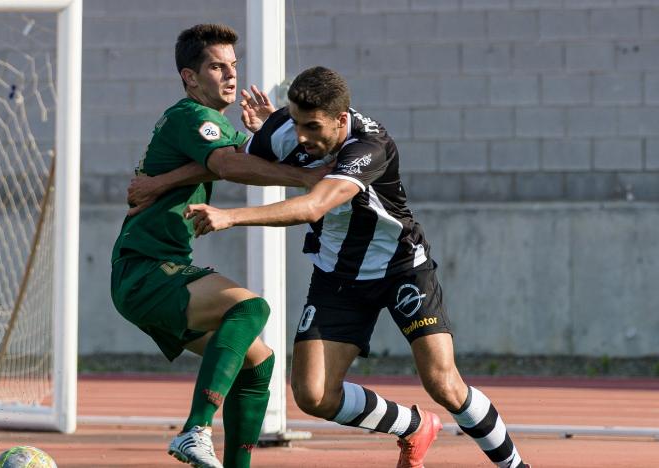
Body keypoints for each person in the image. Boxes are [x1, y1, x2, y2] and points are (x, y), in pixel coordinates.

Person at [138, 66, 530, 468]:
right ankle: (412, 427)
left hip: (400, 270)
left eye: (312, 127)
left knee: (443, 383)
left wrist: (232, 216)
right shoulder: (288, 129)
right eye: (295, 123)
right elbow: (228, 162)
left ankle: (515, 465)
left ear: (341, 119)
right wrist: (160, 182)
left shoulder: (369, 146)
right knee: (313, 396)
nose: (302, 138)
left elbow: (314, 205)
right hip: (337, 276)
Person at [109, 24, 325, 468]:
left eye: (233, 66)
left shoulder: (206, 124)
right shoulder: (192, 115)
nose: (230, 76)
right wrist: (305, 180)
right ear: (190, 77)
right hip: (146, 270)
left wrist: (269, 129)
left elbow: (228, 160)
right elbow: (226, 163)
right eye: (216, 67)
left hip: (154, 273)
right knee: (250, 309)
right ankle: (195, 429)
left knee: (258, 362)